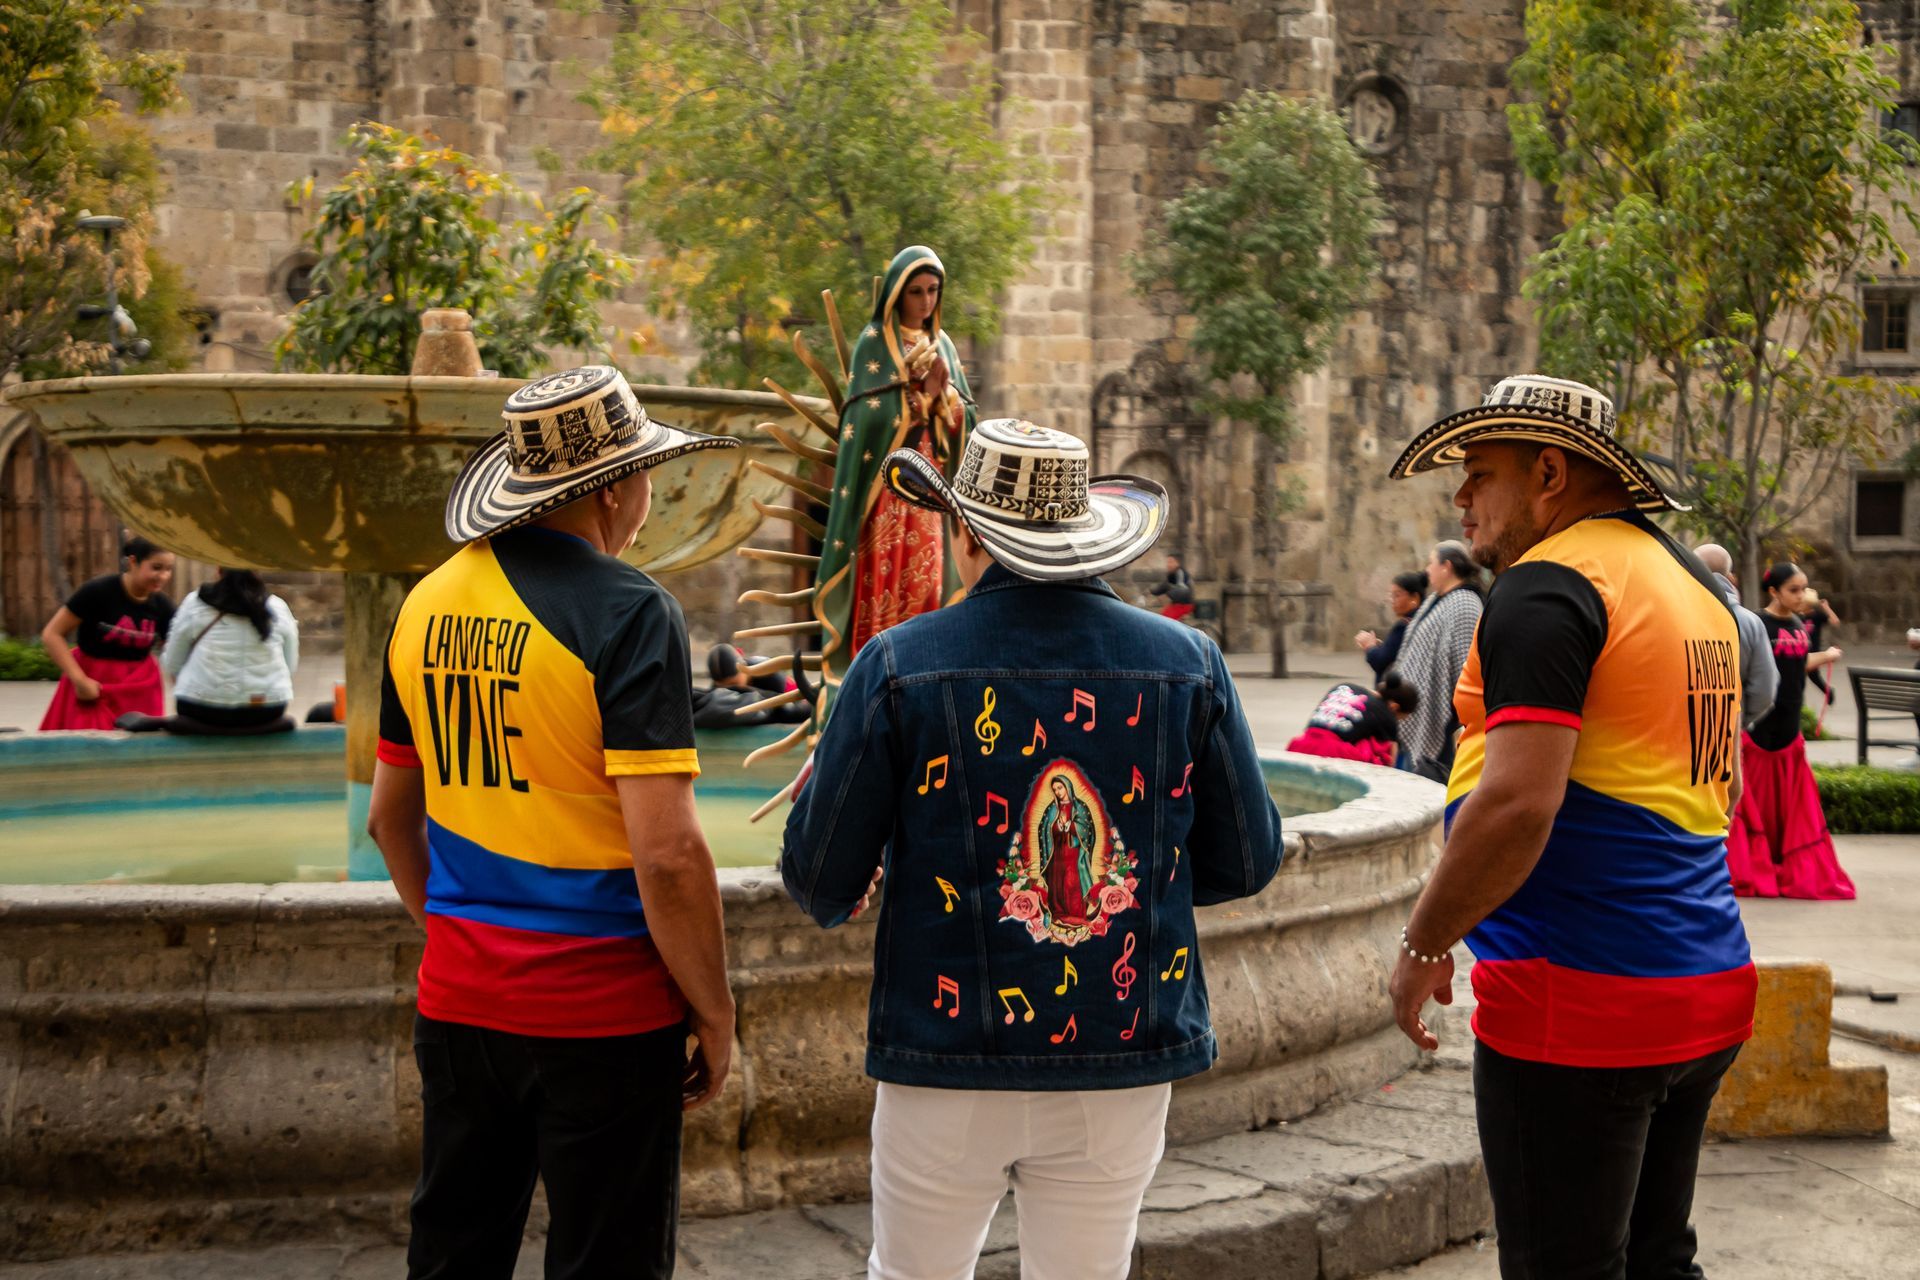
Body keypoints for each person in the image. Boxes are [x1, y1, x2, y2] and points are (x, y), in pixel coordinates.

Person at [782, 420, 1283, 1280]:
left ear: (969, 532)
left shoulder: (898, 664)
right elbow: (1245, 859)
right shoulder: (1189, 662)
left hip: (944, 1056)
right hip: (1120, 1052)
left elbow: (820, 876)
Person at [366, 366, 740, 1279]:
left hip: (458, 1008)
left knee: (453, 1255)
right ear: (615, 486)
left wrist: (463, 942)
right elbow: (669, 855)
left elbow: (388, 820)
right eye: (647, 470)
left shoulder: (425, 602)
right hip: (603, 1018)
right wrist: (715, 1010)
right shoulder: (631, 612)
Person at [1385, 374, 1756, 1280]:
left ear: (1549, 472)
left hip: (1584, 998)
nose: (1462, 498)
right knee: (1658, 1260)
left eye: (1480, 473)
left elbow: (1517, 803)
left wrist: (1425, 940)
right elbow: (1727, 786)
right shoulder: (1693, 590)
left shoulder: (1551, 584)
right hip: (1705, 977)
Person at [813, 246, 978, 688]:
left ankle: (926, 675)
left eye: (933, 291)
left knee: (929, 583)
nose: (925, 302)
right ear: (896, 295)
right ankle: (878, 680)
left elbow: (966, 423)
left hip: (930, 492)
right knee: (886, 587)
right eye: (916, 292)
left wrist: (946, 401)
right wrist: (917, 400)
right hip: (884, 493)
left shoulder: (943, 345)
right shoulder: (875, 342)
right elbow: (865, 418)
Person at [1724, 563, 1855, 900]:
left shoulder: (1799, 625)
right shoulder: (1757, 624)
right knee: (1754, 812)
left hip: (1789, 737)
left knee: (1790, 815)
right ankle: (1756, 867)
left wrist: (1823, 656)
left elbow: (1795, 663)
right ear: (1774, 592)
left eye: (1803, 588)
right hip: (1758, 738)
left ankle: (1784, 864)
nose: (1801, 596)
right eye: (1794, 590)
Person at [119, 569, 299, 735]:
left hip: (202, 710)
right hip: (267, 710)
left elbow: (173, 662)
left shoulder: (196, 603)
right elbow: (290, 666)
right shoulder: (278, 607)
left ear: (218, 571)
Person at [38, 535, 176, 730]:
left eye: (168, 569)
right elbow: (52, 634)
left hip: (139, 690)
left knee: (137, 753)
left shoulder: (163, 606)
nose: (163, 576)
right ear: (133, 562)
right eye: (156, 568)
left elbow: (176, 652)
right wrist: (79, 680)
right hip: (92, 685)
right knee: (86, 750)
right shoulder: (98, 592)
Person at [1389, 541, 1483, 779]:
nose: (1427, 570)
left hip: (1437, 710)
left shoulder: (1465, 603)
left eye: (1431, 562)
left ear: (1446, 566)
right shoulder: (1435, 599)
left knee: (1430, 780)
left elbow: (1466, 663)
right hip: (1413, 708)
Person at [1693, 543, 1777, 730]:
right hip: (1730, 728)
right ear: (1730, 577)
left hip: (1684, 730)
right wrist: (1740, 718)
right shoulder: (1751, 623)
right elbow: (1765, 688)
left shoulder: (1675, 615)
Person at [1285, 673, 1418, 767]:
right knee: (1376, 748)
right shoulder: (1386, 715)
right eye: (1402, 718)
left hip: (1299, 745)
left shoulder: (1344, 687)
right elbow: (1391, 761)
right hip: (1332, 753)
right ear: (1395, 707)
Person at [691, 642, 810, 728]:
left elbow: (786, 707)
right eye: (724, 687)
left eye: (733, 684)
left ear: (744, 668)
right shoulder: (719, 688)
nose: (730, 690)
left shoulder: (767, 672)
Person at [1354, 570, 1428, 680]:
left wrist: (1369, 646)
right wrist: (1382, 647)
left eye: (1397, 595)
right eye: (1391, 595)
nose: (1392, 600)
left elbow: (1380, 662)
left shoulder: (1404, 626)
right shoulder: (1424, 619)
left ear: (1415, 598)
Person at [1800, 586, 1840, 702]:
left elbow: (1835, 621)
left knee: (1813, 676)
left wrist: (1826, 608)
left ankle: (1828, 692)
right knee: (1799, 676)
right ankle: (1800, 701)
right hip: (1801, 650)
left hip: (1814, 651)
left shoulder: (1817, 616)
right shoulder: (1798, 616)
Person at [1147, 552, 1195, 621]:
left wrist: (1168, 594)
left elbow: (1183, 589)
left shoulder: (1180, 573)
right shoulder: (1171, 574)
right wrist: (1151, 591)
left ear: (1177, 563)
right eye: (1167, 562)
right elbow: (1163, 586)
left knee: (1164, 620)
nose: (1168, 565)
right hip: (1176, 604)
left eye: (1171, 562)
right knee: (1163, 617)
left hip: (1184, 605)